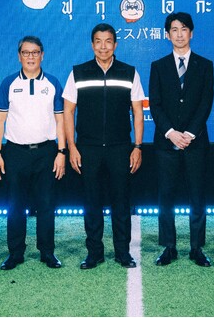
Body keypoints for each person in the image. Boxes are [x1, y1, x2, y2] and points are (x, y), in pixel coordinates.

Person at [63, 23, 144, 270]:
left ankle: (123, 252)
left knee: (121, 202)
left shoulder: (129, 72)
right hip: (88, 148)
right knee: (92, 202)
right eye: (98, 41)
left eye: (108, 41)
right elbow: (68, 112)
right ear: (92, 44)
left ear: (115, 44)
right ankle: (94, 253)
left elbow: (138, 112)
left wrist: (137, 146)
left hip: (121, 148)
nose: (103, 46)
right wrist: (72, 147)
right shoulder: (78, 72)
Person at [0, 36, 66, 270]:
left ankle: (47, 252)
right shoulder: (9, 83)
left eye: (35, 52)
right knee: (15, 205)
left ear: (42, 55)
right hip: (15, 152)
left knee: (46, 204)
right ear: (19, 56)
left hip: (46, 152)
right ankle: (15, 253)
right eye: (26, 53)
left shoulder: (52, 83)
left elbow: (60, 120)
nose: (31, 57)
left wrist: (62, 151)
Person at [149, 12, 214, 267]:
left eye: (184, 29)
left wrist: (189, 133)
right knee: (166, 196)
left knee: (197, 195)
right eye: (174, 30)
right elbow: (155, 104)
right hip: (166, 143)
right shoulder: (158, 66)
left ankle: (197, 247)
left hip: (196, 143)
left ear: (191, 33)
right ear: (167, 35)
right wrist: (171, 132)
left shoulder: (205, 65)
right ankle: (169, 247)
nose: (179, 34)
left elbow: (206, 102)